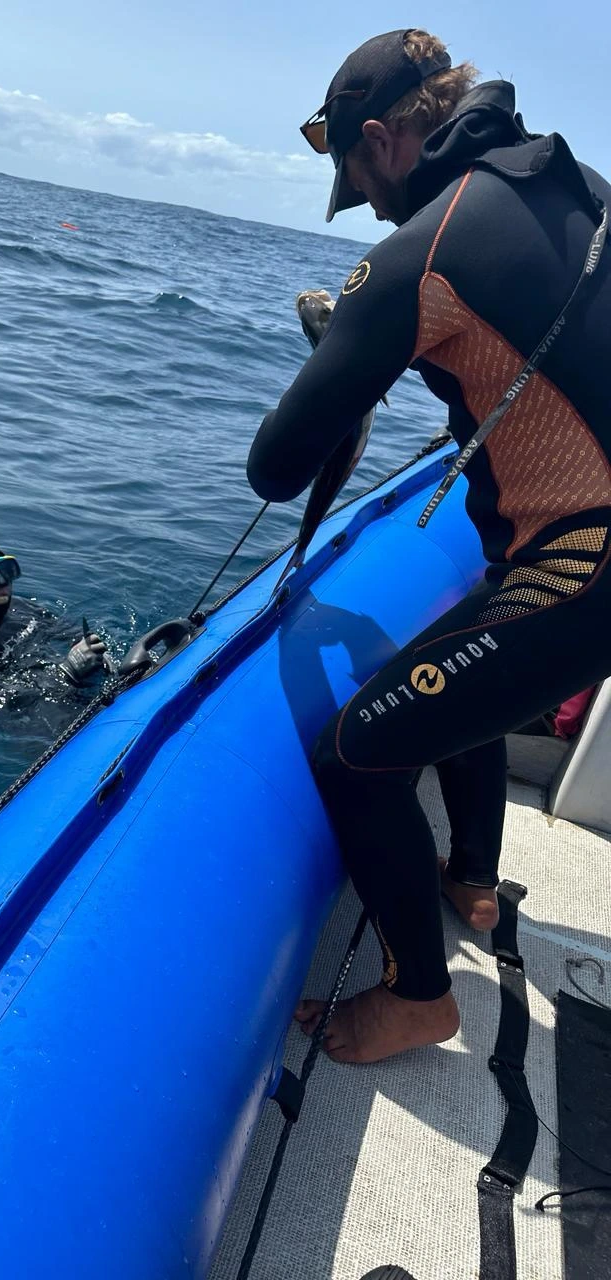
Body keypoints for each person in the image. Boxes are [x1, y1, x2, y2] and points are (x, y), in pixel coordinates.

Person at [246, 29, 611, 1062]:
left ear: (381, 138)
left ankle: (418, 993)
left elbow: (277, 466)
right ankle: (474, 883)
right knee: (470, 654)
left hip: (587, 569)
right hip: (571, 563)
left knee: (357, 754)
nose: (366, 206)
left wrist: (346, 355)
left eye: (355, 179)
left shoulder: (424, 246)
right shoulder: (576, 185)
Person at [0, 512, 112, 697]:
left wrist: (95, 651)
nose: (2, 583)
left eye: (5, 571)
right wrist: (66, 674)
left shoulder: (21, 607)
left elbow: (65, 631)